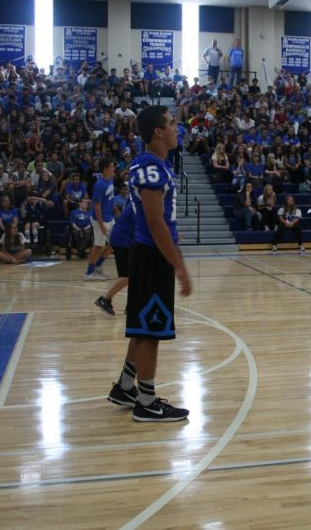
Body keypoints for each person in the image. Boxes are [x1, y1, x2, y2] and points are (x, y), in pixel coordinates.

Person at [110, 104, 191, 422]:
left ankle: (126, 387)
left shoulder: (156, 165)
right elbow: (155, 223)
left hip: (149, 253)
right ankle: (147, 402)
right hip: (151, 255)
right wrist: (181, 267)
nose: (177, 128)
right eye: (172, 123)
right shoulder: (151, 167)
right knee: (150, 331)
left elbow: (160, 220)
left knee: (144, 326)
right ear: (158, 131)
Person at [95, 201, 134, 316]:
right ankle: (104, 299)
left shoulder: (141, 201)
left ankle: (131, 305)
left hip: (127, 238)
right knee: (128, 276)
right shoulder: (141, 202)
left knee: (137, 274)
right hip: (122, 239)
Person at [86, 158, 116, 280]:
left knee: (116, 241)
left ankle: (98, 266)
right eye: (112, 166)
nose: (114, 169)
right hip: (100, 219)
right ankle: (89, 273)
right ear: (106, 169)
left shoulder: (110, 180)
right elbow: (96, 206)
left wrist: (116, 210)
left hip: (109, 217)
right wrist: (102, 225)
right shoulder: (99, 184)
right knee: (98, 245)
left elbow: (110, 198)